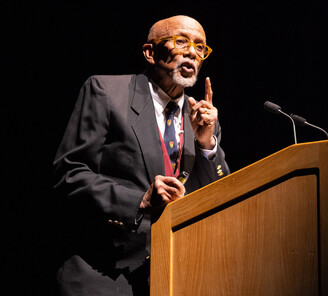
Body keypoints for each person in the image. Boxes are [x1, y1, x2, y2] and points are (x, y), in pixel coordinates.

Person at [52, 15, 230, 296]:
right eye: (180, 41)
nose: (191, 52)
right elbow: (69, 175)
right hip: (105, 275)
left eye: (200, 47)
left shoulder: (202, 117)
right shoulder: (107, 93)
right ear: (150, 53)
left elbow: (221, 196)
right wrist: (140, 200)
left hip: (179, 274)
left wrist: (208, 145)